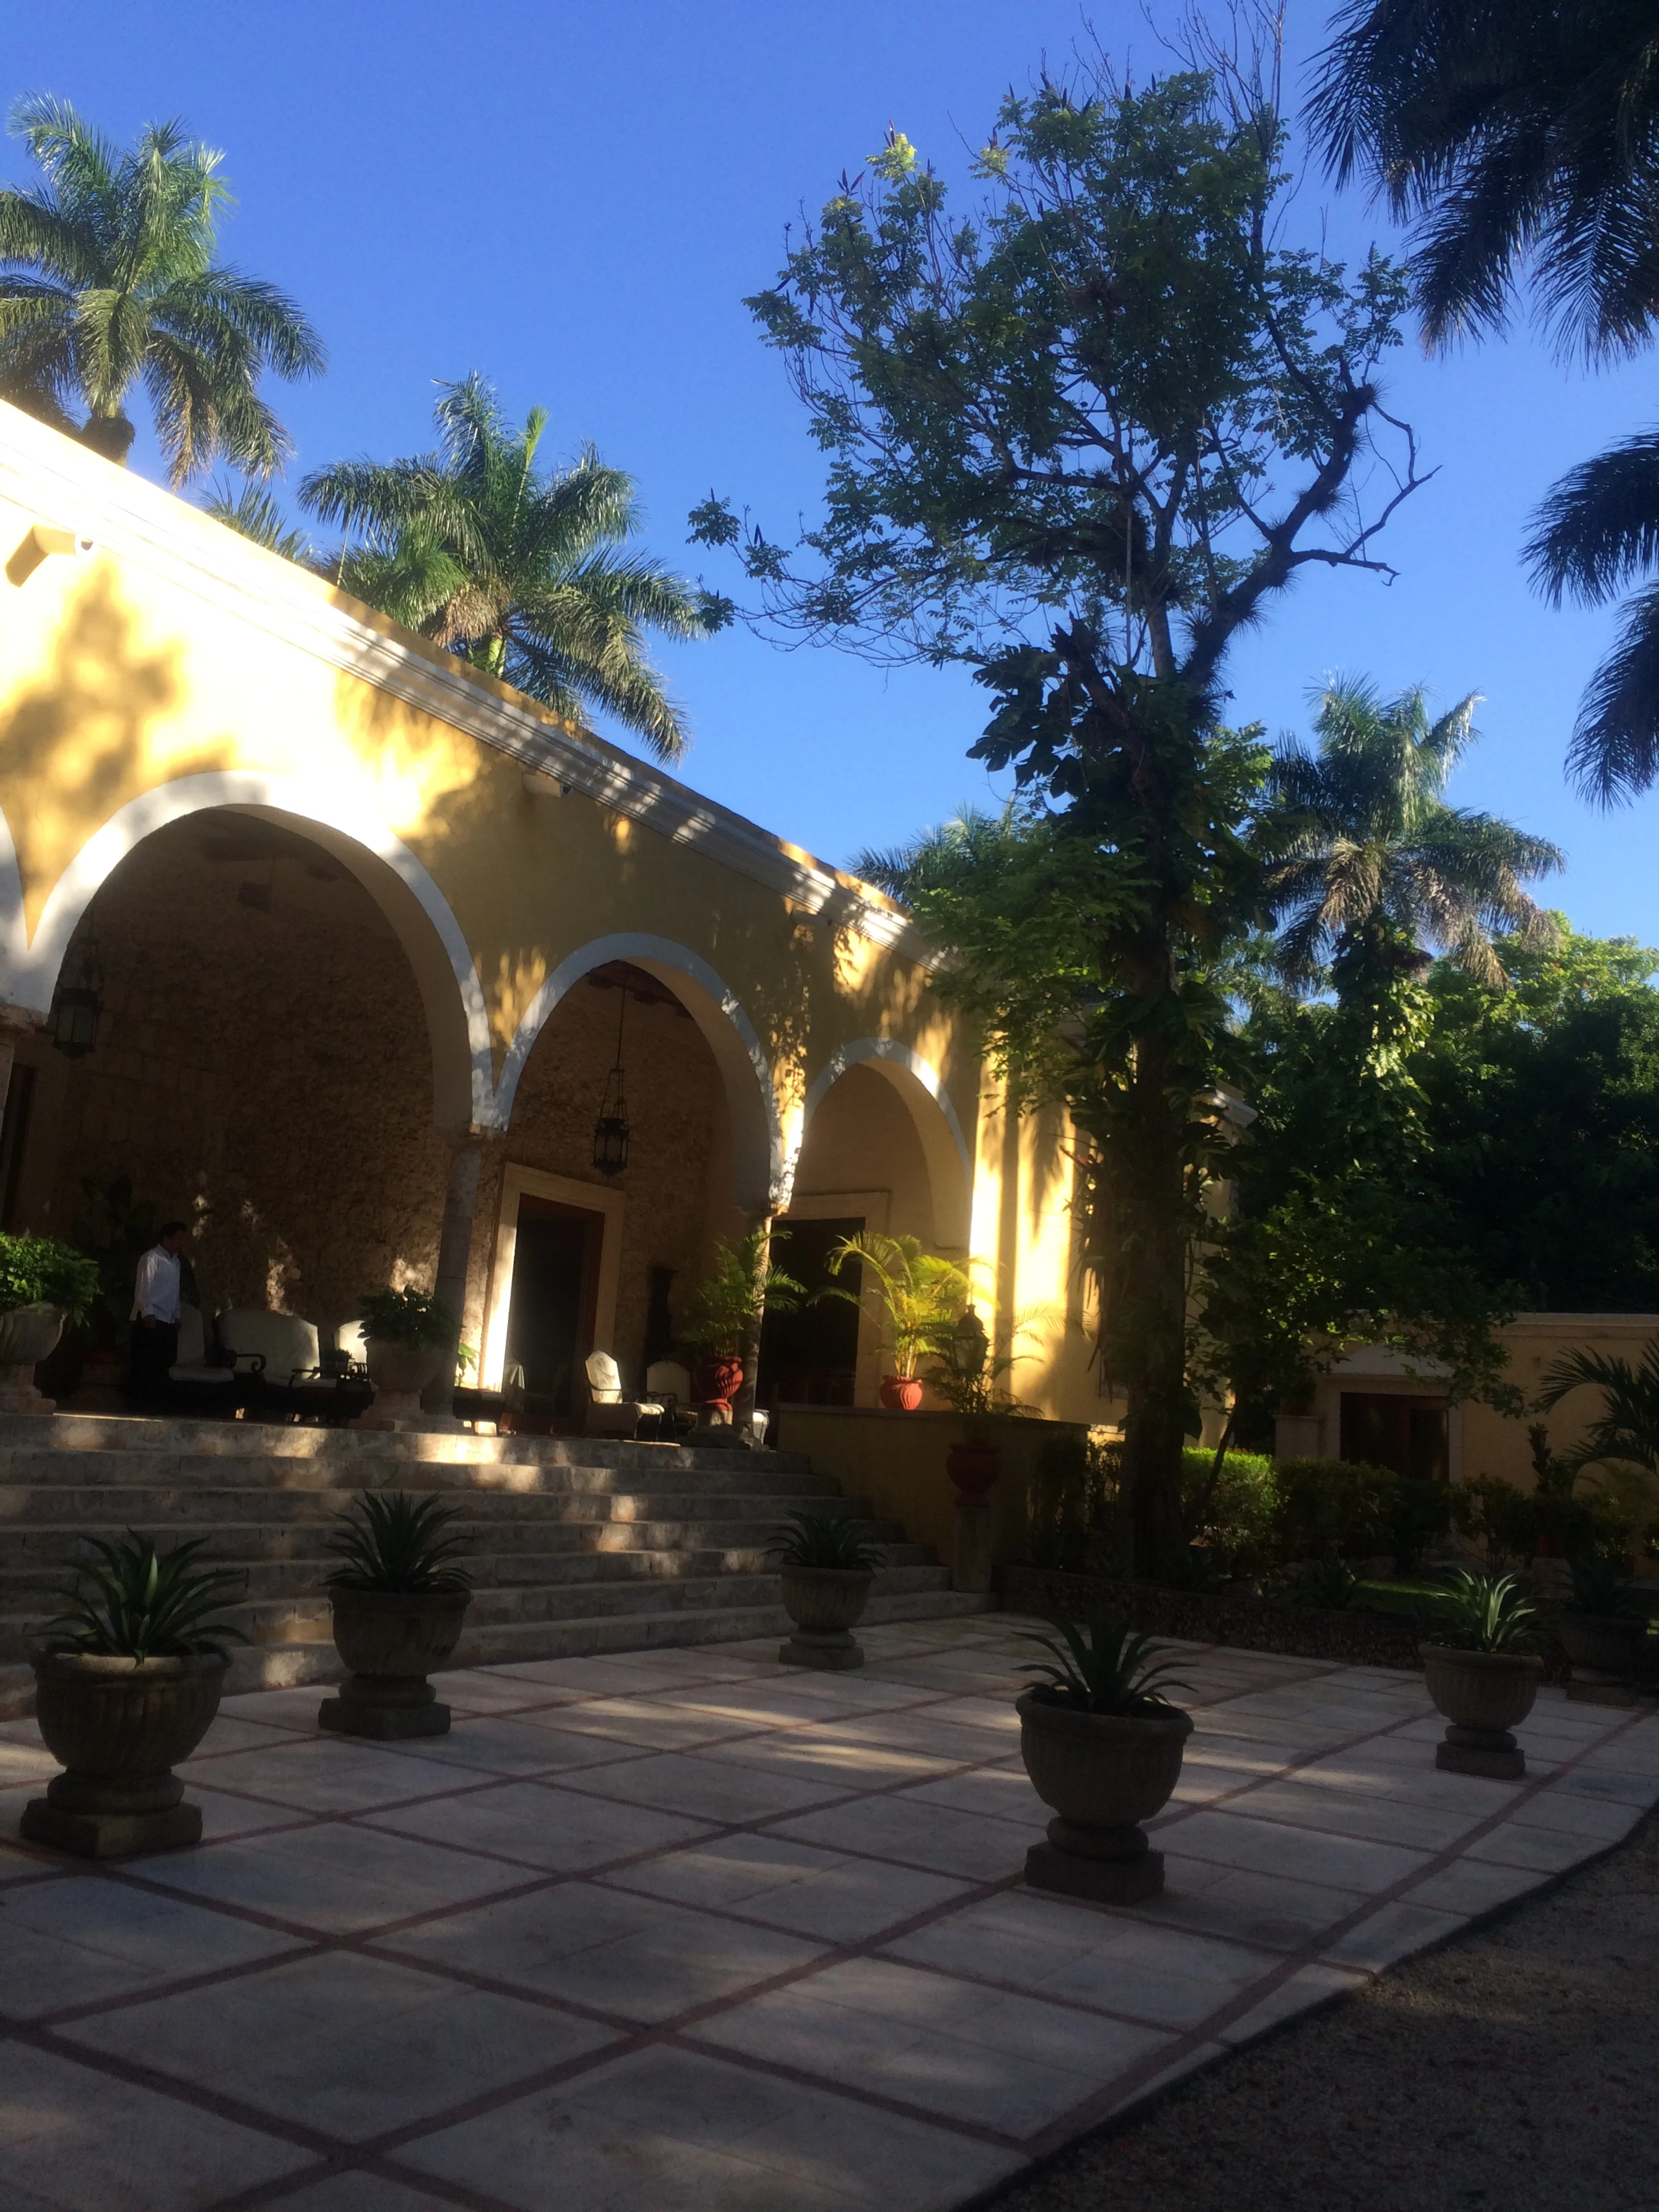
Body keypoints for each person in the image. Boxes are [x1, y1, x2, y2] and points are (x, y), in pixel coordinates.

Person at [129, 1219, 191, 1412]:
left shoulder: (177, 1263)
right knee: (146, 1364)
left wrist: (177, 1315)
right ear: (167, 1238)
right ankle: (140, 1406)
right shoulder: (151, 1258)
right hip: (151, 1318)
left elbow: (175, 1291)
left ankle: (158, 1406)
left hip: (168, 1320)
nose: (181, 1243)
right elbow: (144, 1287)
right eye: (178, 1239)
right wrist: (147, 1312)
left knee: (164, 1362)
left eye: (183, 1240)